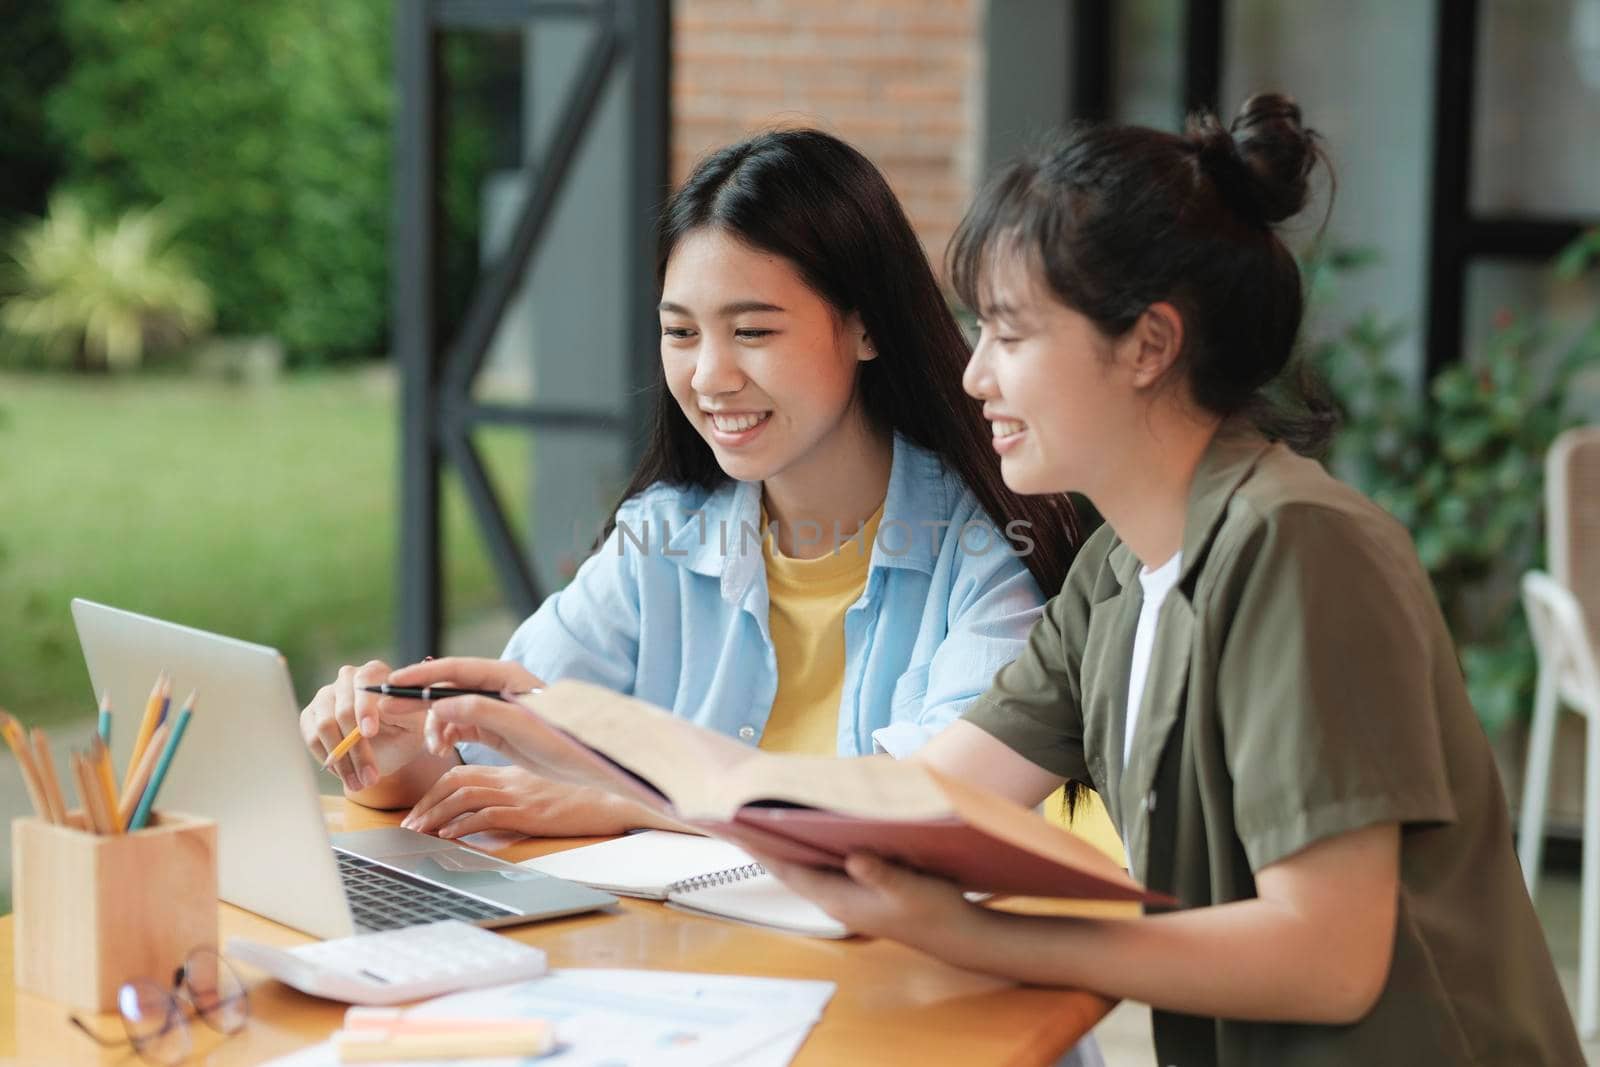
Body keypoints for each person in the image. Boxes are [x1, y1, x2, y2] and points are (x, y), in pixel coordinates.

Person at [416, 97, 1584, 1064]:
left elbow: (1323, 959)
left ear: (1147, 345)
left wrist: (987, 936)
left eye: (1011, 333)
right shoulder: (1120, 575)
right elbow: (913, 801)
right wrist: (601, 750)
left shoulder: (1293, 544)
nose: (972, 373)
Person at [300, 128, 1094, 841]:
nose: (710, 375)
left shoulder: (988, 554)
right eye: (680, 332)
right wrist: (393, 748)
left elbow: (926, 811)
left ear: (866, 326)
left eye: (753, 330)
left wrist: (636, 802)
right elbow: (482, 766)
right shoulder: (661, 536)